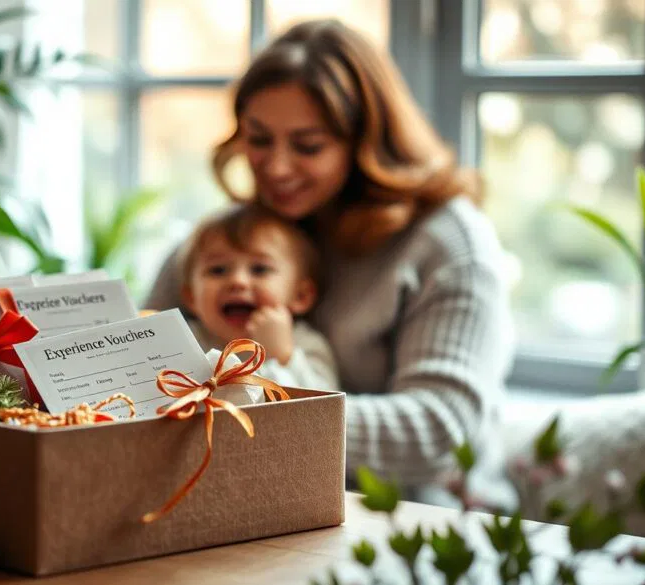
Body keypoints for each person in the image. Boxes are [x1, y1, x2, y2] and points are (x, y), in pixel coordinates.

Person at [146, 19, 515, 504]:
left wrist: (251, 408)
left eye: (308, 146)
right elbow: (141, 354)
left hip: (418, 517)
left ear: (367, 143)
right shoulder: (231, 240)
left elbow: (440, 432)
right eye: (258, 139)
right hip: (254, 501)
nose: (275, 168)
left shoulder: (449, 245)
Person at [178, 204, 338, 390]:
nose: (238, 281)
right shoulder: (183, 343)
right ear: (191, 297)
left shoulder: (304, 344)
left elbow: (327, 411)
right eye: (218, 270)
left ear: (300, 296)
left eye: (259, 269)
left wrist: (281, 358)